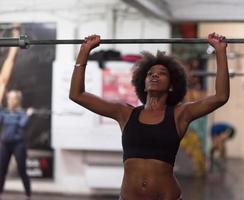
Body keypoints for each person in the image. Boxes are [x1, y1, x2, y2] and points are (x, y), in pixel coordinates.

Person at [69, 32, 229, 200]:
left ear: (172, 86)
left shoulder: (180, 114)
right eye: (150, 73)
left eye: (162, 73)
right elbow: (77, 94)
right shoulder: (125, 113)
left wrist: (220, 52)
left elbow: (221, 97)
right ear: (143, 84)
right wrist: (84, 51)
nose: (154, 75)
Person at [0, 90, 33, 200]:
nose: (11, 100)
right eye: (9, 98)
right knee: (1, 170)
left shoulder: (23, 113)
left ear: (18, 100)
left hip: (18, 145)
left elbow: (23, 125)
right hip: (5, 144)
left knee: (22, 169)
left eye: (14, 98)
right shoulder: (3, 112)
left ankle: (28, 194)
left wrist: (28, 115)